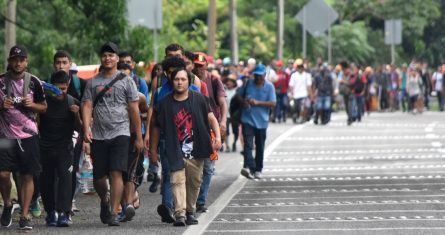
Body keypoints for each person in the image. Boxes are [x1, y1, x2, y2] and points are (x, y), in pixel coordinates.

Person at [81, 42, 143, 226]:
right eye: (105, 55)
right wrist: (86, 129)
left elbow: (134, 111)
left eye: (111, 55)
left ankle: (115, 211)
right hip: (99, 135)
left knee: (116, 172)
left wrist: (138, 137)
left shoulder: (126, 81)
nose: (108, 58)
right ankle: (105, 200)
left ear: (117, 58)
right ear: (101, 58)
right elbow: (86, 105)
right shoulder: (93, 82)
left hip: (121, 133)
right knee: (99, 177)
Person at [150, 68, 221, 226]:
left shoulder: (200, 99)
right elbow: (155, 126)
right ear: (172, 81)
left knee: (194, 182)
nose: (180, 82)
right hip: (174, 148)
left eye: (183, 79)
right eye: (177, 79)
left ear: (189, 82)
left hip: (197, 148)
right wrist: (153, 150)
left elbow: (211, 118)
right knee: (177, 180)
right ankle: (180, 214)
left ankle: (190, 211)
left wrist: (218, 136)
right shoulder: (164, 103)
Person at [0, 45, 47, 230]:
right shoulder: (1, 82)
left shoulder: (34, 82)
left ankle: (25, 215)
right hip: (5, 136)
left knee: (28, 175)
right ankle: (8, 204)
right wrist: (2, 105)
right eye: (14, 60)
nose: (18, 63)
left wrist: (32, 105)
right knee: (3, 174)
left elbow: (44, 107)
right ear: (9, 61)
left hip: (28, 135)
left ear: (26, 62)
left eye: (21, 60)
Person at [39, 71, 81, 227]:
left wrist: (76, 115)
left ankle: (64, 212)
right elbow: (36, 125)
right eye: (57, 88)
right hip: (45, 147)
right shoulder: (43, 102)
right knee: (46, 180)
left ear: (68, 85)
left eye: (63, 88)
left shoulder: (72, 101)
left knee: (65, 178)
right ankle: (50, 212)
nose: (60, 92)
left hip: (65, 147)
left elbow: (79, 127)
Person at [192, 52, 227, 213]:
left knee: (208, 168)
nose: (199, 68)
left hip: (211, 129)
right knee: (192, 166)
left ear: (206, 65)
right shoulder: (187, 80)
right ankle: (189, 201)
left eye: (201, 65)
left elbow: (222, 103)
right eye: (196, 66)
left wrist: (223, 122)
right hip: (192, 128)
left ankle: (201, 200)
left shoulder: (213, 80)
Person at [238, 64, 276, 179]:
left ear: (265, 75)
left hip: (262, 121)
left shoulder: (270, 87)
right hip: (247, 119)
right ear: (254, 75)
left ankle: (258, 169)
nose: (258, 78)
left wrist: (258, 102)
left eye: (261, 75)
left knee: (260, 146)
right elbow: (238, 96)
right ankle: (250, 167)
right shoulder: (248, 83)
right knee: (248, 145)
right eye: (256, 75)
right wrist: (244, 101)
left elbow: (273, 103)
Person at [288, 59, 312, 124]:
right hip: (296, 95)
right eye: (299, 67)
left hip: (304, 94)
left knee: (303, 106)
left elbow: (309, 86)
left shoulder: (307, 75)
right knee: (294, 107)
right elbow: (291, 86)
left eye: (301, 67)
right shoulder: (294, 75)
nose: (300, 68)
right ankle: (296, 115)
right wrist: (291, 94)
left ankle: (301, 117)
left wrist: (310, 95)